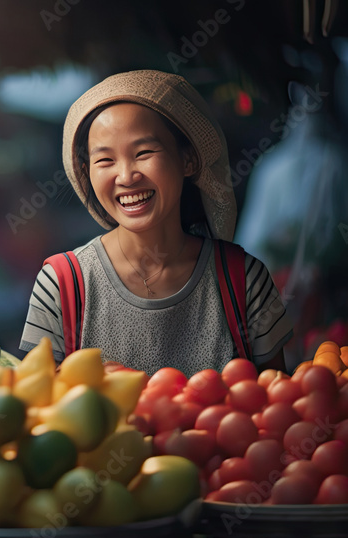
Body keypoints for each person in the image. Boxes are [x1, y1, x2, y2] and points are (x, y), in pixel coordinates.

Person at [19, 70, 292, 376]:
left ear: (188, 159)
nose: (126, 177)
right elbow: (39, 405)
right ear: (87, 172)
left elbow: (277, 403)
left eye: (144, 153)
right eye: (105, 160)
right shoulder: (61, 284)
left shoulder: (244, 281)